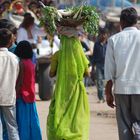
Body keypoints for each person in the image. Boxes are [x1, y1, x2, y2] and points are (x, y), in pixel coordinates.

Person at [47, 26, 90, 140]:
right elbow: (87, 73)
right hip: (77, 91)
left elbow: (51, 74)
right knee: (76, 115)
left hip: (62, 90)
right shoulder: (80, 54)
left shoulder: (57, 55)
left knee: (60, 113)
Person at [105, 7, 140, 140]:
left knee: (124, 125)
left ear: (121, 22)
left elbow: (109, 70)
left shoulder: (114, 39)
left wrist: (108, 93)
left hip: (121, 88)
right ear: (136, 21)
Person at [14, 40, 42, 140]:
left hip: (22, 96)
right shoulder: (31, 63)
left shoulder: (21, 63)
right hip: (31, 96)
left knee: (22, 122)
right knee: (32, 121)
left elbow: (20, 81)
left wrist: (15, 93)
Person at [0, 28, 20, 140]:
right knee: (12, 127)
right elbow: (16, 77)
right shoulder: (15, 58)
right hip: (9, 96)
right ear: (10, 42)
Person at [92, 28, 108, 103]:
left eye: (105, 34)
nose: (103, 36)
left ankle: (107, 97)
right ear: (100, 35)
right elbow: (94, 56)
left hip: (107, 65)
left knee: (108, 82)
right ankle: (101, 98)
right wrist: (93, 67)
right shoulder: (96, 44)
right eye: (102, 34)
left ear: (107, 35)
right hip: (98, 65)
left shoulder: (109, 44)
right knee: (99, 82)